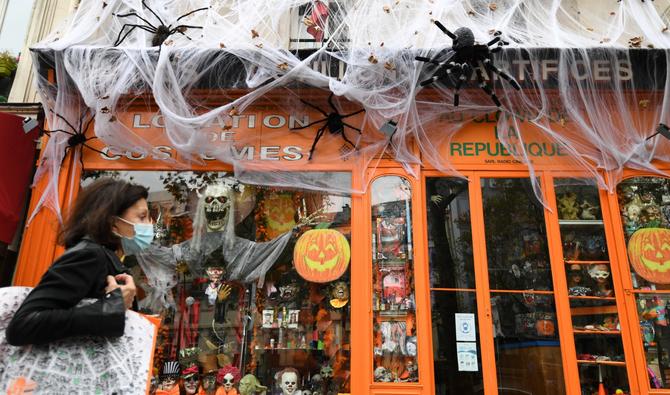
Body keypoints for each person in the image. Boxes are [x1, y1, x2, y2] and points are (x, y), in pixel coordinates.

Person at [5, 178, 152, 346]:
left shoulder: (107, 259)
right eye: (142, 217)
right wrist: (111, 306)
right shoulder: (89, 255)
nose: (149, 225)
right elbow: (22, 326)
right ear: (113, 224)